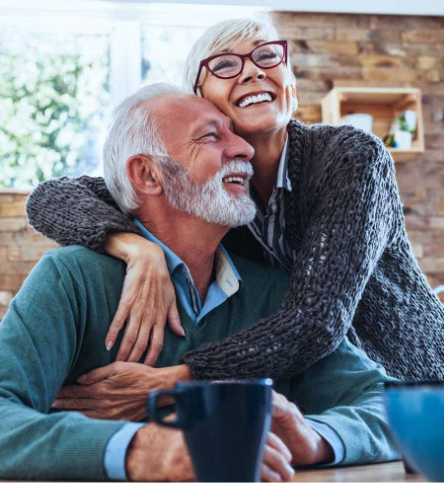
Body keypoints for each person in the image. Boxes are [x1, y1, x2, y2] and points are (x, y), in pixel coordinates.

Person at [1, 85, 398, 481]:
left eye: (235, 134)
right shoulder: (71, 280)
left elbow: (390, 405)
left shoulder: (276, 292)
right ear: (148, 174)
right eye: (211, 136)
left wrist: (315, 438)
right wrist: (140, 449)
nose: (245, 149)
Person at [27, 18, 444, 387]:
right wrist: (137, 248)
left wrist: (178, 380)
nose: (252, 71)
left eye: (267, 57)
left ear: (291, 89)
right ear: (201, 100)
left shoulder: (351, 157)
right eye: (225, 65)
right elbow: (51, 198)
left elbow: (317, 319)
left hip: (410, 385)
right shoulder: (209, 194)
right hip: (314, 391)